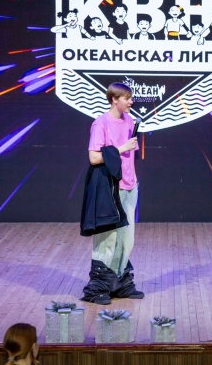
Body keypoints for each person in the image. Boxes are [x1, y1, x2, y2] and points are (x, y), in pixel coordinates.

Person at [80, 82, 144, 305]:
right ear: (114, 99)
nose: (131, 101)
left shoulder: (129, 121)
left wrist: (133, 182)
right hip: (110, 188)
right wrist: (121, 148)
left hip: (130, 187)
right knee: (107, 239)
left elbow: (130, 158)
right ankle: (98, 287)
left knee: (126, 240)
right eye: (127, 98)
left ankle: (119, 283)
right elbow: (94, 158)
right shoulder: (101, 123)